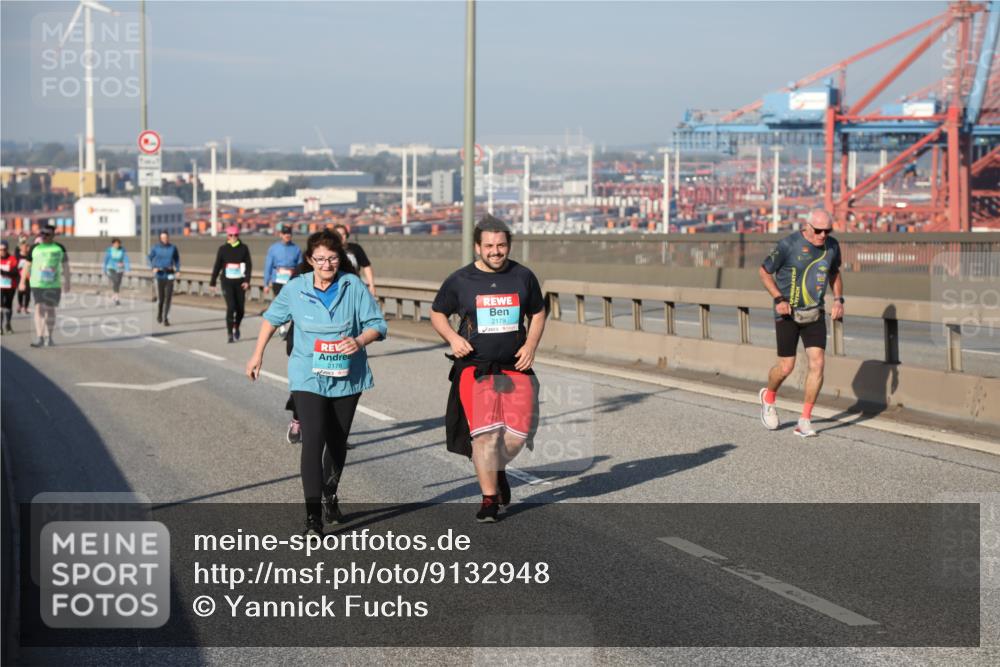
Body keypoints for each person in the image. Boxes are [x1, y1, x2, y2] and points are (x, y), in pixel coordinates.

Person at [246, 230, 387, 535]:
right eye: (320, 259)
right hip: (307, 374)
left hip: (347, 376)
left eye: (333, 258)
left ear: (341, 259)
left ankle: (330, 492)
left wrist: (360, 340)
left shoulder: (353, 286)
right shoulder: (296, 288)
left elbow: (377, 324)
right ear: (309, 260)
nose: (327, 264)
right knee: (314, 438)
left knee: (337, 440)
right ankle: (313, 516)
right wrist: (257, 354)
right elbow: (272, 319)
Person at [430, 215, 547, 523]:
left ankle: (496, 468)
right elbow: (438, 313)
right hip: (475, 368)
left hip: (515, 366)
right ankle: (489, 499)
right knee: (484, 437)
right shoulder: (460, 280)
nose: (496, 251)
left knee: (517, 436)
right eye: (489, 246)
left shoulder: (523, 276)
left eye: (501, 245)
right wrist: (453, 338)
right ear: (477, 247)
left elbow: (538, 312)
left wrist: (531, 345)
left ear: (509, 245)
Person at [758, 208, 844, 438]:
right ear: (807, 226)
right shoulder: (788, 245)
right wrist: (778, 298)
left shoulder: (832, 246)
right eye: (818, 230)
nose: (823, 235)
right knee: (786, 367)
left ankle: (804, 420)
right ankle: (769, 397)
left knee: (818, 363)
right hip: (787, 313)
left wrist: (838, 300)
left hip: (814, 313)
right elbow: (764, 272)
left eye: (828, 230)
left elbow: (834, 273)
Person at [19, 225, 70, 347]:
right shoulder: (35, 248)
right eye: (42, 234)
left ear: (53, 235)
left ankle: (49, 337)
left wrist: (67, 281)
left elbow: (66, 266)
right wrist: (22, 282)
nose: (44, 236)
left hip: (53, 284)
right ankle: (40, 337)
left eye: (47, 234)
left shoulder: (59, 248)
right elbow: (27, 265)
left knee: (50, 309)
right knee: (38, 308)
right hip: (37, 283)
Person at [211, 224, 253, 343]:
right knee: (231, 307)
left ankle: (236, 326)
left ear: (238, 235)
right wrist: (212, 282)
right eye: (231, 235)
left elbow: (249, 265)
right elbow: (217, 266)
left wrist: (247, 281)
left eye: (235, 235)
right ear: (227, 236)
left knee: (241, 310)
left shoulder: (244, 248)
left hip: (240, 282)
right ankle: (230, 333)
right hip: (227, 282)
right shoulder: (223, 249)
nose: (233, 237)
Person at [263, 223, 303, 333]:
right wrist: (266, 283)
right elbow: (268, 266)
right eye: (285, 233)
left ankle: (287, 323)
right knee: (279, 301)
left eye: (289, 233)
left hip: (291, 279)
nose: (287, 235)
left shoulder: (296, 249)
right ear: (280, 234)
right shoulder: (273, 248)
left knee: (291, 302)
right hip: (277, 278)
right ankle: (281, 326)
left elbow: (300, 266)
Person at [333, 224, 376, 297]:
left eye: (343, 234)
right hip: (336, 289)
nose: (341, 237)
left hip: (355, 288)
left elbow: (366, 266)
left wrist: (371, 285)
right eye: (338, 234)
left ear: (347, 235)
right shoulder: (330, 251)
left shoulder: (356, 248)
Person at [148, 232, 181, 326]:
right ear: (160, 238)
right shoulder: (156, 248)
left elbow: (177, 259)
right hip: (160, 275)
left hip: (170, 274)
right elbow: (149, 258)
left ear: (168, 238)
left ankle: (166, 318)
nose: (164, 239)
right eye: (162, 238)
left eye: (166, 237)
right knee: (161, 298)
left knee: (169, 298)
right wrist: (153, 267)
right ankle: (159, 314)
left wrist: (178, 270)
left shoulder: (173, 248)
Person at [102, 238, 131, 305]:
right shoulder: (109, 250)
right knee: (115, 280)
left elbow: (126, 259)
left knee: (118, 282)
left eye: (118, 243)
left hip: (120, 268)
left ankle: (114, 296)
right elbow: (105, 260)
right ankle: (117, 297)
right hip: (110, 268)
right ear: (113, 244)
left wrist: (127, 268)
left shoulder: (122, 250)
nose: (117, 245)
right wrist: (104, 269)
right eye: (115, 243)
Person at [0, 240, 19, 333]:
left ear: (7, 249)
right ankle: (0, 327)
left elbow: (16, 273)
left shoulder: (12, 259)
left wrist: (4, 273)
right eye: (0, 249)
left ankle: (8, 324)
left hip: (10, 286)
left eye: (4, 249)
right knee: (0, 306)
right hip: (0, 287)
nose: (2, 251)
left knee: (8, 306)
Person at [15, 238, 31, 313]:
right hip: (19, 277)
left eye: (26, 246)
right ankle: (20, 304)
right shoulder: (17, 256)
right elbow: (16, 248)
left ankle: (26, 307)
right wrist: (21, 240)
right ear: (20, 247)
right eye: (24, 246)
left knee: (28, 292)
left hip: (28, 277)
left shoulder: (29, 256)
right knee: (21, 291)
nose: (25, 248)